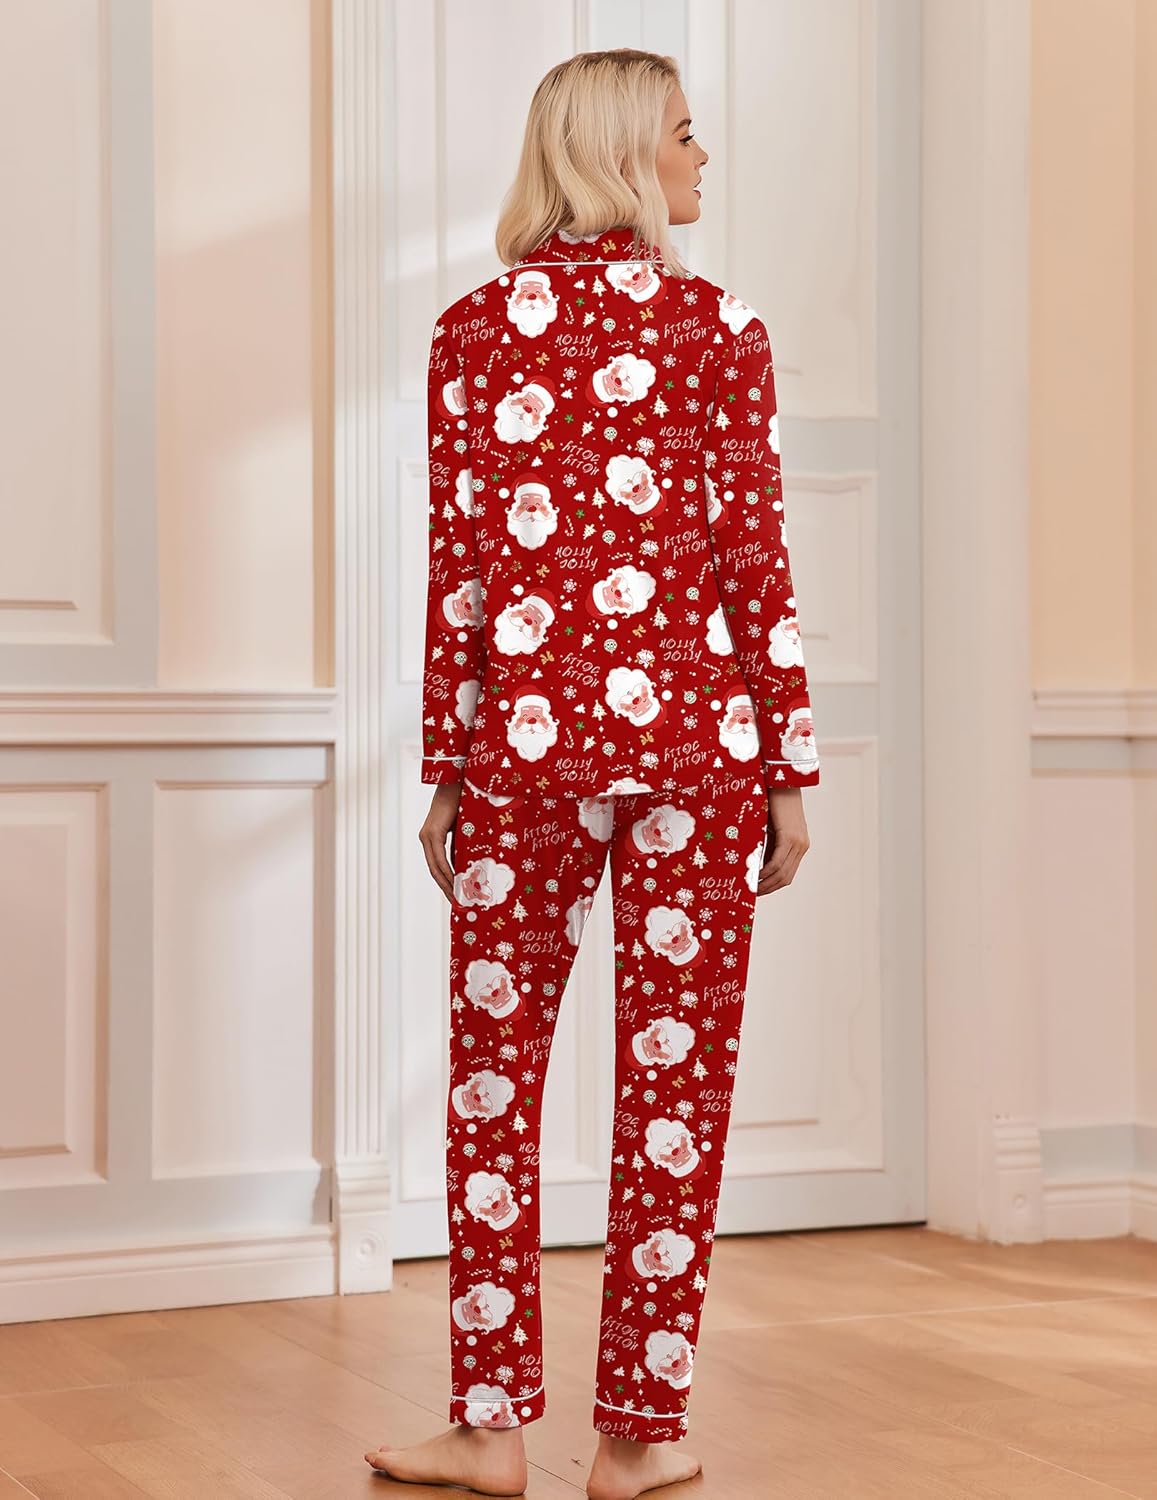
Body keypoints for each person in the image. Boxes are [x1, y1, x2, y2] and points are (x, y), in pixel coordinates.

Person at [366, 46, 819, 1500]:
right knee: (674, 1092)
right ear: (625, 155)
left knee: (491, 1088)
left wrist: (449, 764)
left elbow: (459, 576)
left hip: (523, 750)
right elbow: (754, 561)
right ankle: (637, 1439)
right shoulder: (721, 327)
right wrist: (788, 760)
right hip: (700, 748)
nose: (701, 159)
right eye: (683, 135)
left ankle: (490, 1429)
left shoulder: (471, 333)